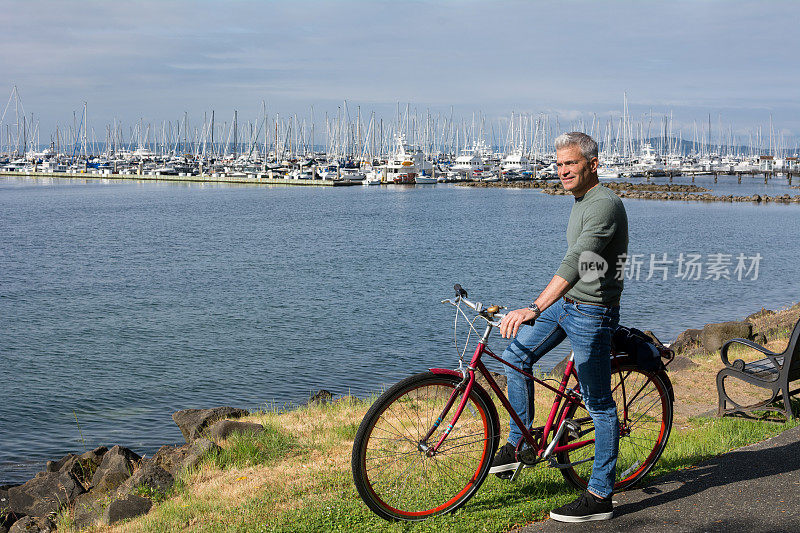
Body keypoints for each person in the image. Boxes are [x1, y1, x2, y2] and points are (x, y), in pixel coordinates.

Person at [490, 132, 628, 522]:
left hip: (591, 314)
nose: (563, 170)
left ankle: (601, 495)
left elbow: (576, 261)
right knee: (515, 354)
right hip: (568, 306)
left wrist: (533, 307)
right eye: (559, 164)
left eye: (571, 163)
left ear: (593, 164)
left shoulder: (605, 205)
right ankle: (520, 444)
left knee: (598, 403)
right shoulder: (580, 200)